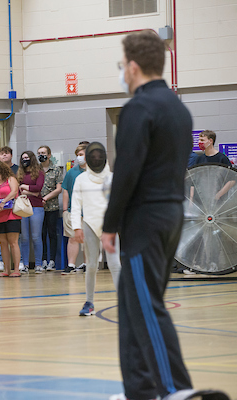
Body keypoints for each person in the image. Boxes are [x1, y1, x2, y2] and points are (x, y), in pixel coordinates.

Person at [102, 31, 194, 400]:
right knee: (131, 302)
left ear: (135, 66)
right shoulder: (178, 108)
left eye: (123, 66)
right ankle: (139, 390)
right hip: (172, 214)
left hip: (144, 219)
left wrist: (110, 225)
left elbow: (127, 171)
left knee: (146, 305)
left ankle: (175, 389)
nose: (123, 73)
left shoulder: (139, 108)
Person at [70, 142, 121, 316]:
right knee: (91, 266)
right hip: (90, 225)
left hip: (110, 227)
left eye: (99, 156)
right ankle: (89, 302)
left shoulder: (112, 178)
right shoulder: (81, 179)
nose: (97, 159)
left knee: (115, 264)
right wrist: (76, 227)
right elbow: (75, 205)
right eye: (94, 156)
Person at [61, 144, 88, 275]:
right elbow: (65, 189)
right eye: (78, 154)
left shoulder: (95, 171)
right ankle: (71, 264)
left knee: (88, 239)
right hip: (74, 211)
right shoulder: (71, 172)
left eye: (81, 154)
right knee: (72, 238)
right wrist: (65, 209)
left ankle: (88, 264)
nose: (79, 157)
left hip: (89, 211)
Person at [17, 151, 45, 273]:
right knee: (24, 237)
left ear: (32, 159)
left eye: (27, 158)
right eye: (23, 158)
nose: (25, 160)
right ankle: (25, 264)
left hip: (36, 206)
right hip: (22, 207)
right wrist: (31, 191)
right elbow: (18, 190)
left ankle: (38, 264)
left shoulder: (39, 172)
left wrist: (25, 188)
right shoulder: (19, 173)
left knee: (36, 236)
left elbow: (38, 188)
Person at [38, 145, 63, 273]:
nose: (40, 155)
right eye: (39, 153)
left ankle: (52, 261)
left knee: (52, 233)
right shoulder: (35, 170)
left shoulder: (56, 169)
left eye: (43, 153)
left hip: (52, 207)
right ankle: (42, 259)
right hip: (38, 207)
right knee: (41, 234)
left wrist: (46, 198)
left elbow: (59, 189)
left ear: (49, 155)